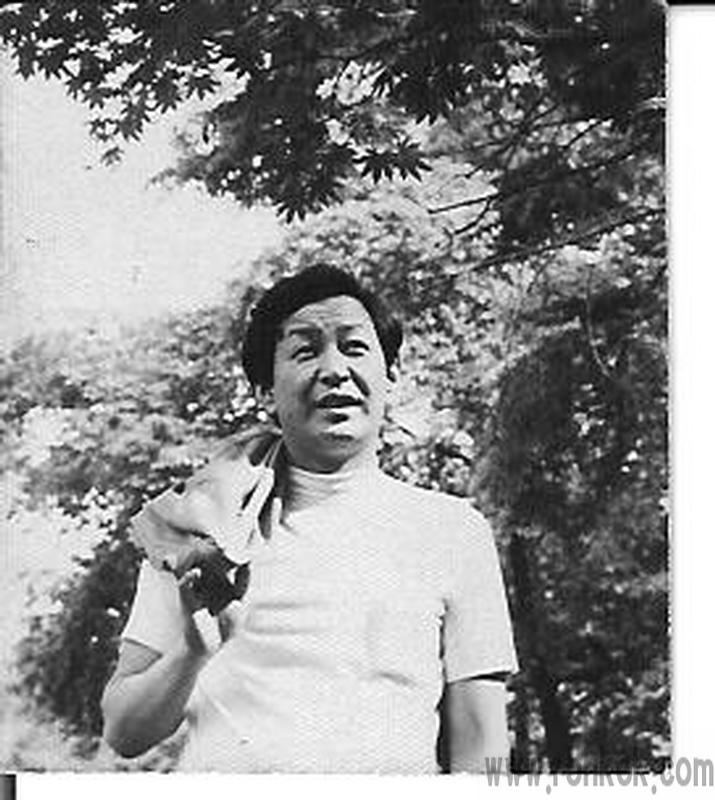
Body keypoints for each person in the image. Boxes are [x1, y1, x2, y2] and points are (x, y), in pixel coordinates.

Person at [102, 264, 518, 773]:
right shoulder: (200, 527)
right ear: (264, 391)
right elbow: (123, 730)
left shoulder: (454, 532)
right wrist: (191, 654)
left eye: (355, 347)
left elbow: (483, 739)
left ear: (390, 376)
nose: (335, 368)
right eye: (305, 350)